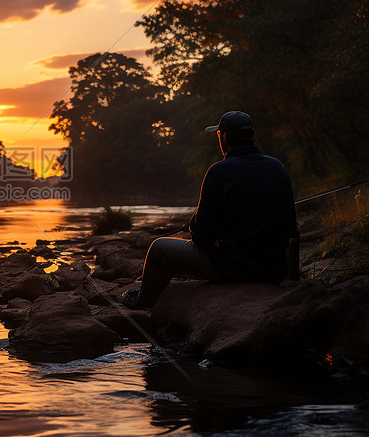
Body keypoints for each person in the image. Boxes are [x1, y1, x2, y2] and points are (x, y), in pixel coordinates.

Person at [123, 111, 299, 310]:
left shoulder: (218, 171)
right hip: (273, 270)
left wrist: (195, 224)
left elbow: (201, 239)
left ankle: (144, 301)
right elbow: (292, 228)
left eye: (218, 135)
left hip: (233, 269)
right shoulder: (278, 167)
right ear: (251, 137)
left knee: (158, 248)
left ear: (223, 137)